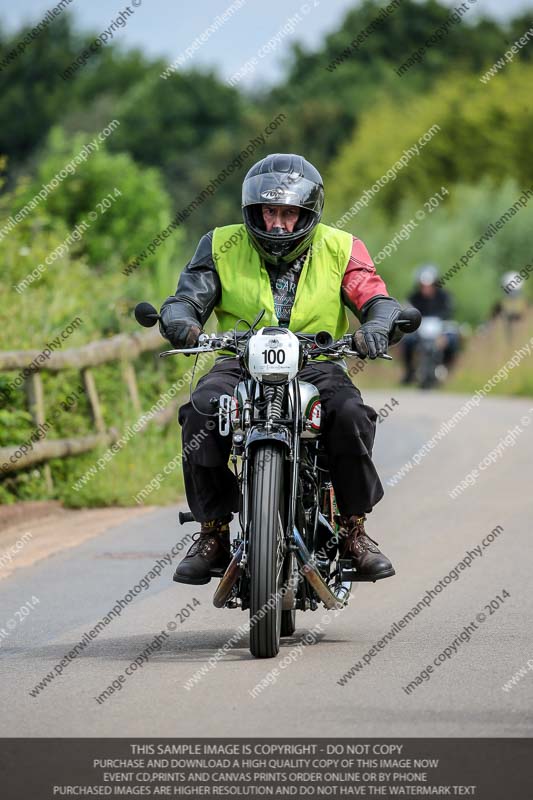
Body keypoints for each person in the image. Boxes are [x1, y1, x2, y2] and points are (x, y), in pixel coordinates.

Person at [159, 153, 404, 585]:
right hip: (239, 359)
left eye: (288, 213)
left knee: (349, 415)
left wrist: (380, 323)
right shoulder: (220, 244)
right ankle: (213, 531)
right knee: (200, 409)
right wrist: (181, 318)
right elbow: (190, 295)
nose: (277, 224)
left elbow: (374, 295)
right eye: (269, 212)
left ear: (307, 213)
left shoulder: (341, 247)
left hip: (317, 362)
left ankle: (353, 529)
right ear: (254, 211)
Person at [401, 264, 458, 384]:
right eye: (423, 286)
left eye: (429, 285)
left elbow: (449, 313)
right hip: (419, 329)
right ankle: (410, 371)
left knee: (453, 339)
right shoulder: (413, 297)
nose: (426, 288)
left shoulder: (444, 297)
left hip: (440, 329)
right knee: (407, 340)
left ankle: (447, 367)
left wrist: (443, 334)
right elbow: (407, 310)